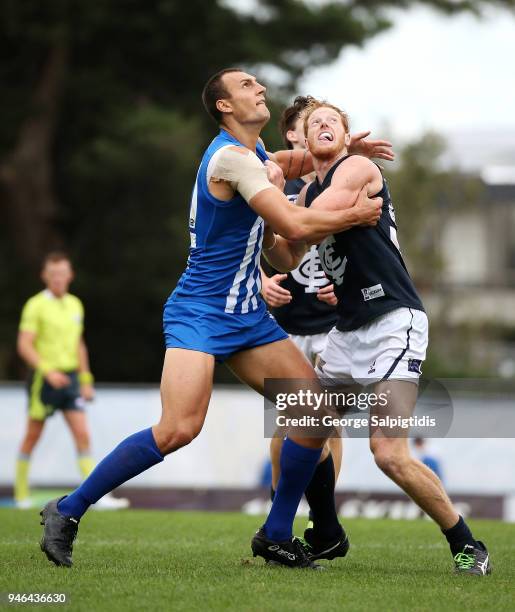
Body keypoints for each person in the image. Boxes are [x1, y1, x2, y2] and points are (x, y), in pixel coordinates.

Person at [38, 68, 384, 569]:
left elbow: (285, 193)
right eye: (246, 87)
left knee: (313, 413)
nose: (260, 89)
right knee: (179, 428)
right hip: (199, 312)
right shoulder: (231, 159)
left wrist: (340, 154)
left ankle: (277, 532)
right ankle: (67, 510)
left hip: (246, 315)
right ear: (224, 107)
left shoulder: (257, 156)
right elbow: (289, 222)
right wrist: (352, 213)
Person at [297, 98, 491, 576]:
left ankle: (468, 543)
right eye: (312, 122)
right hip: (346, 329)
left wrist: (280, 215)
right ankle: (325, 533)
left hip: (393, 322)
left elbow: (313, 218)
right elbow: (285, 249)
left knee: (387, 453)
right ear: (302, 140)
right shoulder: (304, 196)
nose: (322, 125)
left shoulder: (356, 166)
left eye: (332, 122)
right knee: (302, 426)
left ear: (346, 136)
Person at [261, 96, 345, 546]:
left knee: (327, 426)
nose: (317, 129)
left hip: (334, 326)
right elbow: (233, 241)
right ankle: (282, 514)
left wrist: (348, 286)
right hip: (287, 328)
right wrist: (260, 279)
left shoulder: (343, 180)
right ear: (294, 135)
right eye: (307, 124)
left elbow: (377, 245)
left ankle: (322, 520)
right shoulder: (270, 185)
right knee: (287, 427)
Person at [15, 252, 129, 510]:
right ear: (45, 276)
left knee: (83, 435)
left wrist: (86, 379)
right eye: (53, 273)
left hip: (71, 379)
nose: (58, 278)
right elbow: (24, 344)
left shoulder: (75, 304)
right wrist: (47, 371)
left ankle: (97, 496)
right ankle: (21, 494)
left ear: (70, 276)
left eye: (62, 273)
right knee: (32, 437)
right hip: (44, 381)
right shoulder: (35, 305)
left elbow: (79, 344)